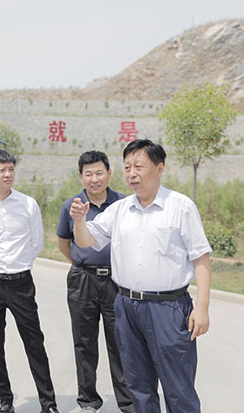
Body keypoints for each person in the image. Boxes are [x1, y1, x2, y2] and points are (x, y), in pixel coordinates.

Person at [70, 139, 212, 413]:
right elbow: (86, 241)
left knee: (178, 387)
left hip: (168, 308)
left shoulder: (180, 206)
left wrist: (202, 308)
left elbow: (201, 257)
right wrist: (79, 221)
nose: (132, 174)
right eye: (127, 167)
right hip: (126, 306)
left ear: (159, 168)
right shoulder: (120, 209)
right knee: (138, 386)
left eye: (139, 166)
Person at [0, 149, 59, 413]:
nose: (8, 174)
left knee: (34, 342)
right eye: (1, 170)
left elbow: (36, 243)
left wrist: (18, 265)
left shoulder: (28, 204)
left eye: (11, 169)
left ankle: (48, 403)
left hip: (21, 283)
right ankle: (5, 400)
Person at [56, 151, 134, 413]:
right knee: (84, 343)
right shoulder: (72, 206)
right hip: (83, 281)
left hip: (116, 281)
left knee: (120, 342)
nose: (94, 179)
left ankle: (127, 402)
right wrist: (83, 264)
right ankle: (88, 401)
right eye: (88, 174)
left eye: (99, 172)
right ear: (81, 176)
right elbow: (64, 244)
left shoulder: (124, 204)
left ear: (109, 173)